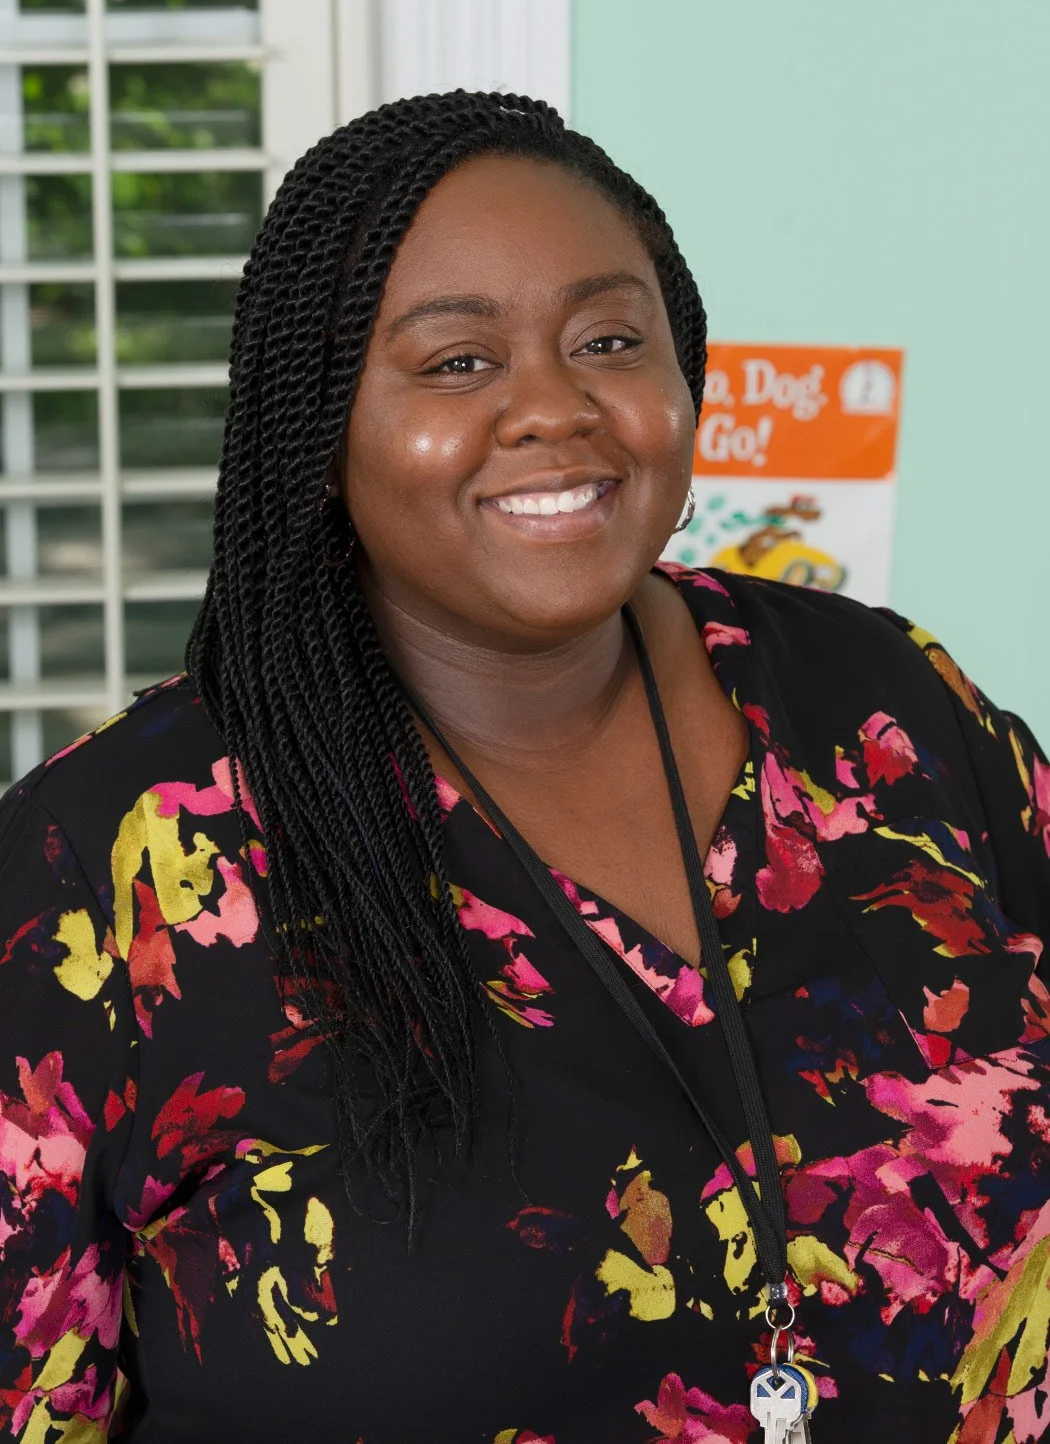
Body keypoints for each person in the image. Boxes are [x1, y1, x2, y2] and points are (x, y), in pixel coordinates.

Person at [0, 90, 1047, 1444]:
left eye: (609, 340)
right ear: (316, 430)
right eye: (453, 364)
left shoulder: (886, 706)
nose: (553, 408)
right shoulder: (104, 872)